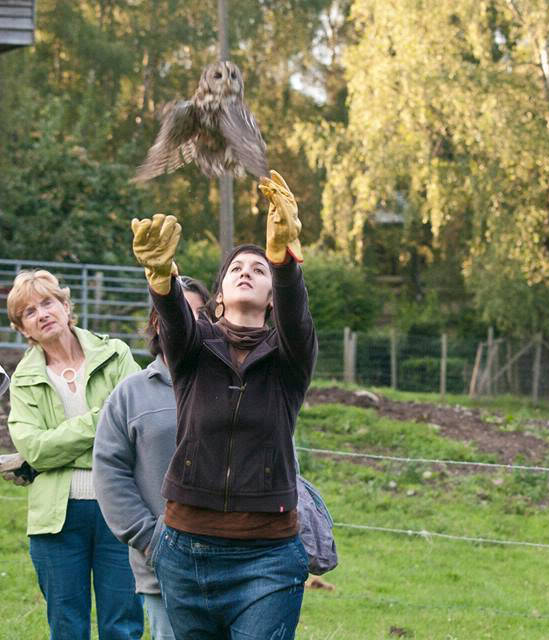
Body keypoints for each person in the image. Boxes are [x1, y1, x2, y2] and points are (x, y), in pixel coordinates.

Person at [131, 170, 317, 638]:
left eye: (259, 270)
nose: (246, 272)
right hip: (185, 548)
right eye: (236, 268)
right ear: (217, 298)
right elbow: (175, 321)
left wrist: (284, 262)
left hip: (268, 554)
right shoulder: (193, 351)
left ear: (273, 298)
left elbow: (297, 320)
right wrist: (161, 281)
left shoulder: (289, 357)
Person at [5, 269, 143, 640]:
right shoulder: (23, 380)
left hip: (120, 511)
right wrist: (102, 420)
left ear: (66, 306)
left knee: (124, 626)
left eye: (48, 302)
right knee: (67, 628)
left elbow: (134, 420)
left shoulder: (116, 354)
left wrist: (59, 448)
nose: (42, 313)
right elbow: (33, 449)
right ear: (24, 330)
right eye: (29, 312)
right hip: (56, 520)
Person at [93, 276, 210, 640]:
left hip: (237, 558)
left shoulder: (231, 385)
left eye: (196, 314)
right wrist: (150, 538)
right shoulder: (131, 394)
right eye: (173, 312)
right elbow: (109, 471)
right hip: (164, 567)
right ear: (157, 323)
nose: (185, 322)